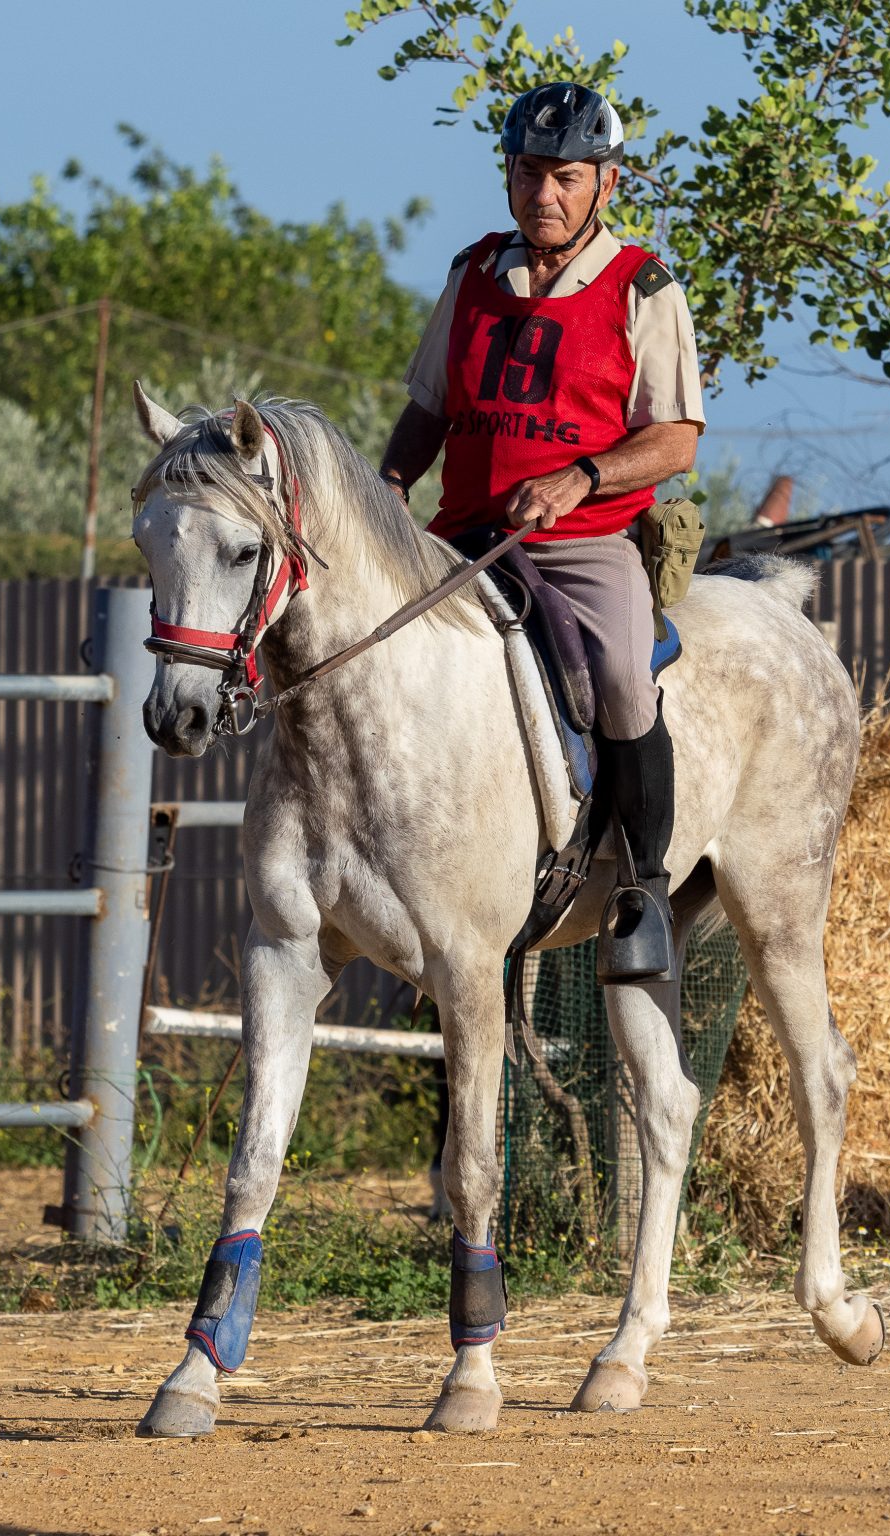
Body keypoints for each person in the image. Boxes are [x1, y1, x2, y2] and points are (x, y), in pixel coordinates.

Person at [378, 81, 706, 979]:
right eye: (529, 173)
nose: (544, 195)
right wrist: (390, 483)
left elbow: (675, 439)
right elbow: (427, 408)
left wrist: (581, 477)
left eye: (566, 177)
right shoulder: (472, 273)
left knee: (623, 685)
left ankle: (642, 889)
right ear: (509, 176)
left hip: (583, 540)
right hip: (462, 534)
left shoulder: (643, 287)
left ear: (606, 183)